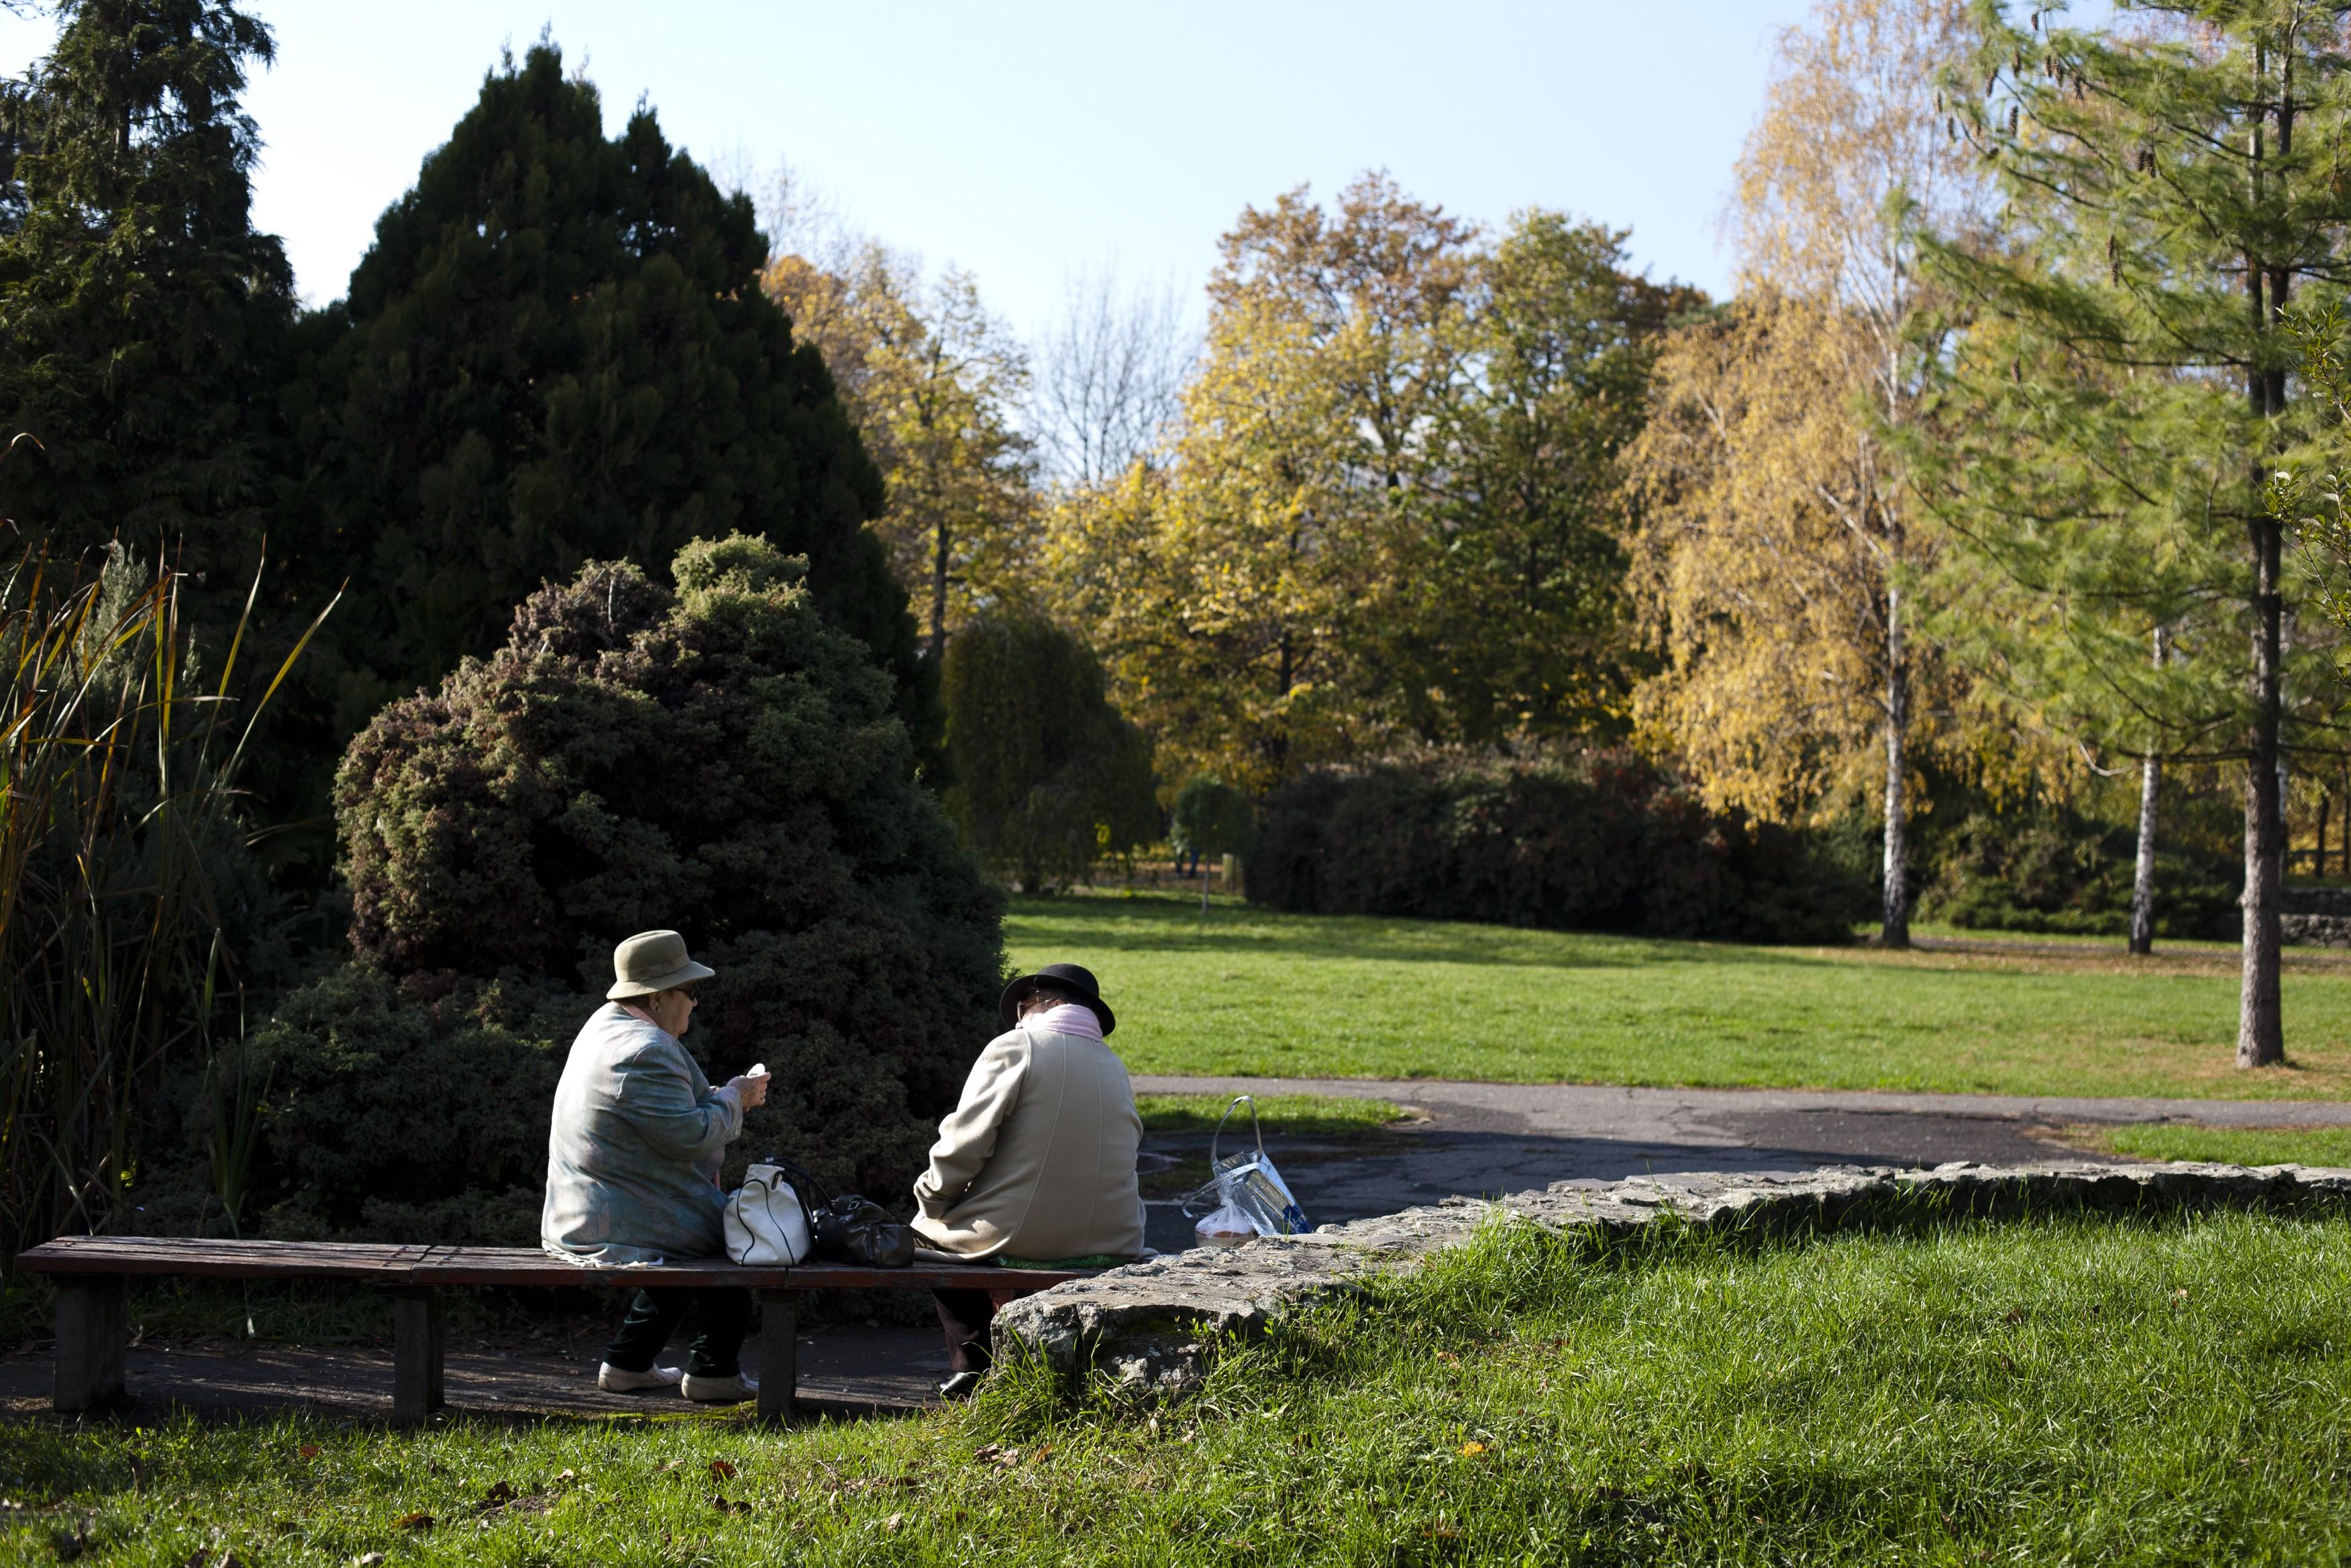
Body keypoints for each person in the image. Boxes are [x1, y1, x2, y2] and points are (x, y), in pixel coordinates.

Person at [542, 929, 771, 1403]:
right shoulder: (646, 1049)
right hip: (612, 1215)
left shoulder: (604, 1026)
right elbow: (689, 1136)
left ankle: (628, 1362)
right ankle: (713, 1370)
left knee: (690, 1242)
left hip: (590, 1204)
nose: (694, 1002)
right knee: (736, 1237)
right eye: (689, 991)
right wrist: (737, 1097)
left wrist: (724, 1097)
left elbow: (664, 1123)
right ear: (657, 996)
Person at [912, 961, 1145, 1399]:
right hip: (1118, 1235)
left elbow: (963, 1144)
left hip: (1027, 1235)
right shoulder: (1115, 1066)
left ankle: (973, 1365)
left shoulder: (1017, 1046)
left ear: (1050, 1004)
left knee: (923, 1236)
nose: (1018, 1015)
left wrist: (933, 1200)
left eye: (1024, 1005)